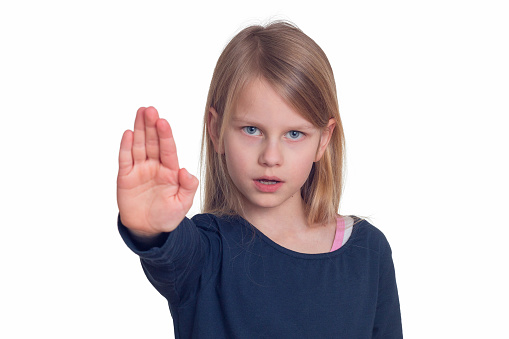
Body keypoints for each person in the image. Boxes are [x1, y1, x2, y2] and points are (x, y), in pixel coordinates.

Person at [117, 21, 402, 338]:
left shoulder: (368, 251)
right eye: (251, 130)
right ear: (216, 130)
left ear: (323, 139)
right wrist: (149, 227)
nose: (271, 156)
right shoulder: (204, 252)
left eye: (294, 134)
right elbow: (170, 249)